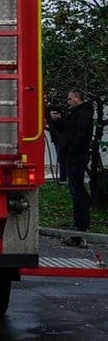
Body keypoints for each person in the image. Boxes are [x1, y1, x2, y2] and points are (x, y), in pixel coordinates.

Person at [50, 89, 95, 238]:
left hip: (76, 156)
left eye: (69, 99)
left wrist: (70, 148)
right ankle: (81, 222)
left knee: (76, 189)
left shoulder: (82, 114)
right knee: (76, 188)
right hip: (75, 155)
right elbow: (70, 130)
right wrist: (59, 121)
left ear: (77, 98)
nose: (68, 102)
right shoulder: (78, 113)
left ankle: (81, 223)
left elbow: (79, 135)